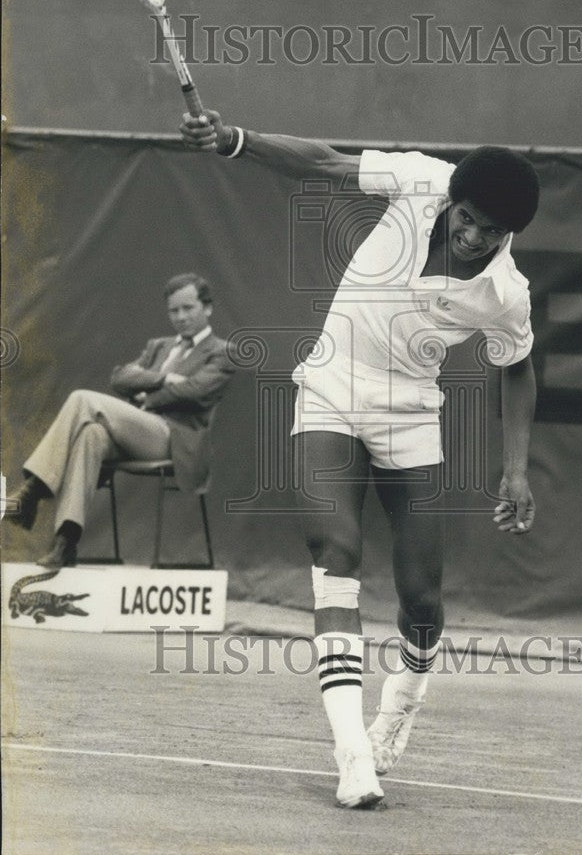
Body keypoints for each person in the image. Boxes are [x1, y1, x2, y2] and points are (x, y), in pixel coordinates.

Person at [180, 111, 539, 809]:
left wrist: (517, 469)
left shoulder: (506, 293)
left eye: (489, 231)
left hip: (412, 415)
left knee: (423, 601)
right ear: (453, 199)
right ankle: (351, 754)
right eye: (466, 218)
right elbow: (324, 161)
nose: (471, 236)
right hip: (331, 387)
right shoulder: (419, 180)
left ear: (509, 235)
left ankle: (400, 704)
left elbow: (519, 368)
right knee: (334, 550)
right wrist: (238, 141)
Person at [4, 274, 235, 569]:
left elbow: (196, 392)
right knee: (91, 433)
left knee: (82, 399)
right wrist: (163, 378)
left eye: (188, 308)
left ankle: (33, 491)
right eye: (174, 311)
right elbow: (120, 377)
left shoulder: (223, 352)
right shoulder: (158, 347)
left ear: (208, 308)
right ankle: (66, 541)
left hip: (172, 440)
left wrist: (147, 397)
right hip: (134, 432)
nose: (180, 317)